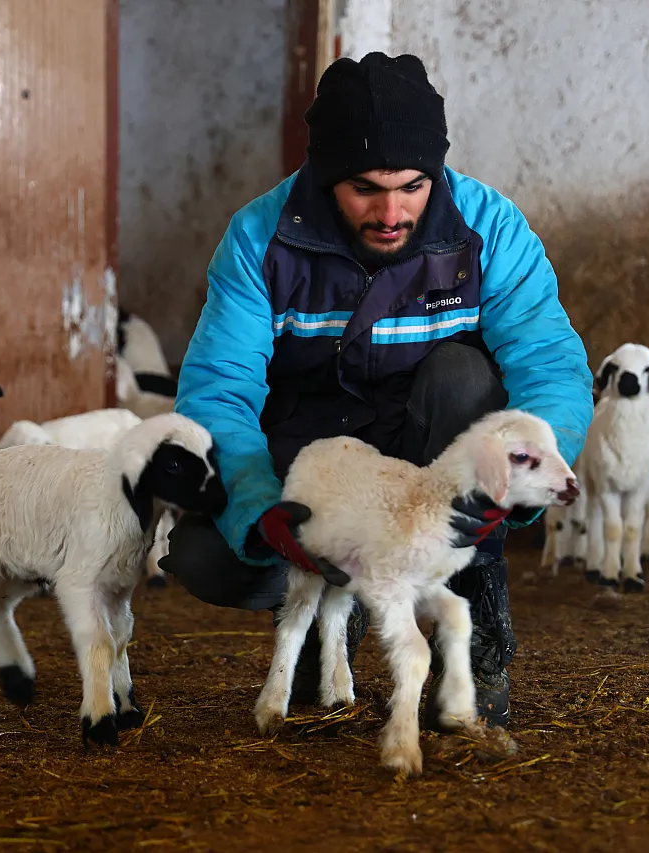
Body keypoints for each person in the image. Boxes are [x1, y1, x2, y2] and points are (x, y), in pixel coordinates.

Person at [159, 51, 593, 729]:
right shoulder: (259, 240)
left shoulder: (489, 230)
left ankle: (475, 616)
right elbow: (219, 391)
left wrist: (518, 476)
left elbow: (550, 363)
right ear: (325, 174)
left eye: (414, 186)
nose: (392, 212)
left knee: (465, 377)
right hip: (312, 457)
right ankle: (330, 600)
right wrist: (260, 508)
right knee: (204, 555)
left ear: (437, 173)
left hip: (425, 459)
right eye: (365, 188)